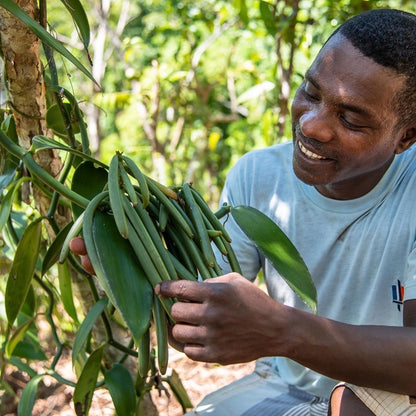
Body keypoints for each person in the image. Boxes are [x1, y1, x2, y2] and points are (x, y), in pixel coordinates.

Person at [71, 8, 416, 415]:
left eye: (350, 118)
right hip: (283, 384)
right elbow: (204, 327)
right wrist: (136, 267)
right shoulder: (259, 176)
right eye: (311, 92)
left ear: (406, 137)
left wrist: (283, 330)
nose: (312, 125)